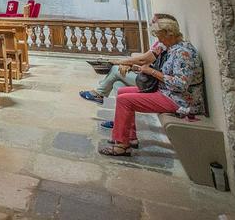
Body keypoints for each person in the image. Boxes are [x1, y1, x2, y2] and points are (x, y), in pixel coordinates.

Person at [99, 15, 204, 156]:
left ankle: (122, 146)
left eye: (160, 36)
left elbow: (180, 85)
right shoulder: (173, 48)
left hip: (179, 99)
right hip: (166, 91)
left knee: (125, 101)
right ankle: (129, 137)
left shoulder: (183, 53)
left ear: (170, 34)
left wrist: (152, 72)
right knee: (122, 92)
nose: (159, 40)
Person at [80, 17, 171, 104]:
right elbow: (146, 61)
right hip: (149, 78)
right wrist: (129, 65)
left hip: (153, 83)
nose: (151, 23)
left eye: (154, 22)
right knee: (117, 84)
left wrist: (118, 62)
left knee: (116, 69)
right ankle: (121, 118)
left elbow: (143, 60)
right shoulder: (161, 42)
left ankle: (98, 93)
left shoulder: (165, 45)